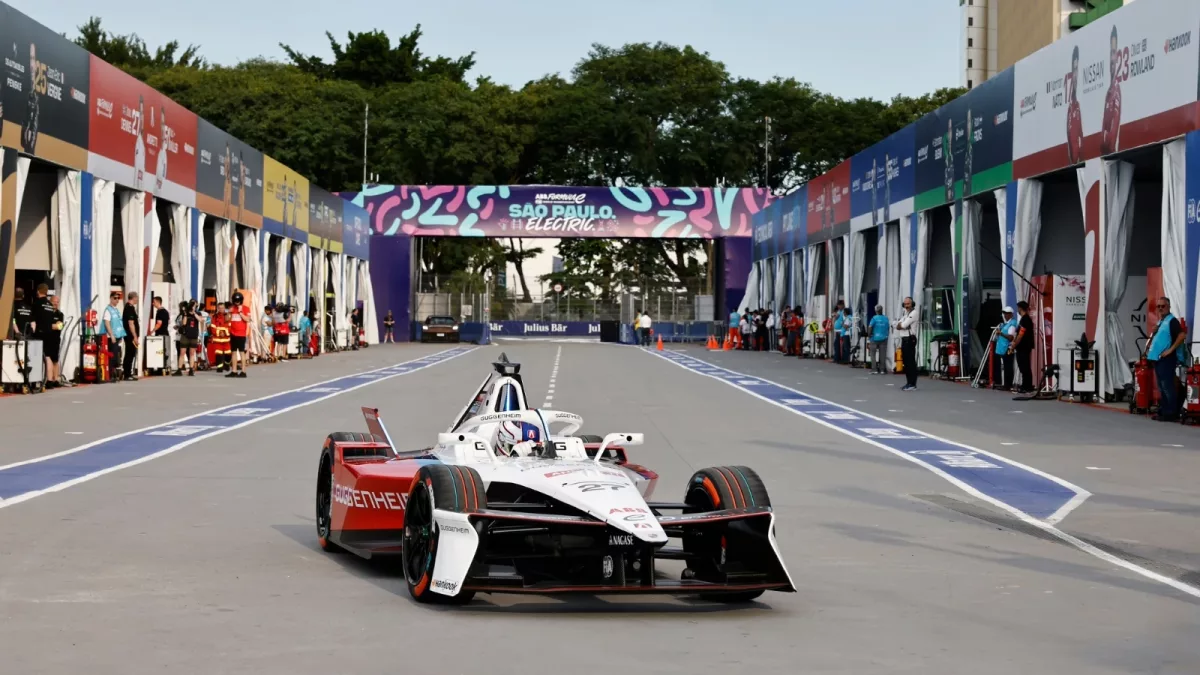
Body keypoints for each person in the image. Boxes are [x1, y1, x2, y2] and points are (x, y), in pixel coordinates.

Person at [1147, 297, 1187, 422]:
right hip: (1158, 359)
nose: (1160, 308)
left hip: (1167, 359)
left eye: (1163, 306)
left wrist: (1170, 350)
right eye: (1158, 306)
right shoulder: (1161, 322)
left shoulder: (1172, 321)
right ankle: (1165, 411)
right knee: (1162, 386)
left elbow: (1182, 335)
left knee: (1167, 386)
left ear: (1168, 307)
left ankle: (1170, 412)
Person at [98, 292, 126, 381]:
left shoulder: (116, 310)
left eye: (118, 298)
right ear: (111, 298)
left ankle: (112, 374)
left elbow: (118, 324)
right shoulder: (108, 310)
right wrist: (112, 335)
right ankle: (108, 375)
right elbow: (107, 323)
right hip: (111, 337)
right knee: (111, 356)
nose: (117, 300)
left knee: (115, 356)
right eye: (115, 298)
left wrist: (120, 335)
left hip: (117, 336)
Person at [1011, 301, 1036, 393]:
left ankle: (1027, 386)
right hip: (1022, 347)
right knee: (1022, 366)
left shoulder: (1025, 320)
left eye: (1018, 308)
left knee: (1024, 366)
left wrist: (1015, 344)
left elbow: (1021, 335)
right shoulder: (1024, 319)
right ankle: (1025, 385)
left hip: (1024, 346)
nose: (1017, 310)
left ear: (1021, 308)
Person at [895, 297, 919, 391]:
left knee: (910, 362)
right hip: (904, 339)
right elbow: (897, 325)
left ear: (912, 304)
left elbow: (904, 325)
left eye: (908, 304)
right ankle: (909, 382)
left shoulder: (914, 313)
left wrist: (900, 325)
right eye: (905, 304)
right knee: (906, 362)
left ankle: (912, 383)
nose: (906, 306)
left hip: (910, 339)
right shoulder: (905, 313)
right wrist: (900, 324)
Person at [994, 306, 1018, 390]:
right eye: (1004, 314)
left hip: (1008, 348)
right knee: (1004, 366)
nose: (1005, 315)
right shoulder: (1006, 324)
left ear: (1011, 314)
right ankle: (1003, 383)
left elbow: (1011, 337)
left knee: (1008, 367)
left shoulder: (1012, 324)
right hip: (1002, 348)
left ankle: (1007, 385)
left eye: (1007, 314)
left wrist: (1001, 333)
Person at [227, 291, 249, 378]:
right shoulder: (232, 309)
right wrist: (229, 312)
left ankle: (243, 371)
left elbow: (247, 319)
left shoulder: (246, 308)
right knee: (233, 352)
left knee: (242, 352)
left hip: (241, 334)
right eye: (235, 301)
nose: (237, 302)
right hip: (233, 333)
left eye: (238, 301)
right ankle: (234, 370)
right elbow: (227, 319)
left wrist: (240, 312)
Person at [174, 301, 199, 376]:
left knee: (191, 353)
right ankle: (179, 369)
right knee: (182, 353)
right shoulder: (185, 314)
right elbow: (184, 323)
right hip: (185, 336)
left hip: (194, 336)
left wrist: (194, 313)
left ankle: (191, 369)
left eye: (194, 306)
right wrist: (185, 314)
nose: (192, 308)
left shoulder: (197, 314)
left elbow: (201, 320)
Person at [123, 291, 140, 380]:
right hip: (130, 335)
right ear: (133, 298)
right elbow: (131, 323)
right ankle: (127, 374)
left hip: (130, 335)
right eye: (137, 297)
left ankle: (128, 372)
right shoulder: (129, 308)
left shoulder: (131, 307)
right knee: (130, 353)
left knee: (131, 353)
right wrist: (135, 336)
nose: (137, 299)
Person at [868, 304, 890, 374]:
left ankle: (874, 369)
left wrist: (869, 335)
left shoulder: (874, 318)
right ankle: (882, 369)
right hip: (883, 338)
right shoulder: (886, 318)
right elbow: (888, 328)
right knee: (882, 354)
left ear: (875, 310)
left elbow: (870, 327)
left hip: (874, 338)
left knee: (873, 354)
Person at [210, 304, 232, 373]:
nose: (221, 309)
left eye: (222, 308)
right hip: (217, 340)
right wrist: (219, 333)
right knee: (218, 354)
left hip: (226, 340)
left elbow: (230, 326)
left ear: (224, 308)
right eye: (219, 308)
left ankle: (227, 365)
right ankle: (219, 368)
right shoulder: (214, 317)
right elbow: (213, 327)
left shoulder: (228, 316)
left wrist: (225, 332)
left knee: (228, 354)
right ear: (217, 308)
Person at [151, 296, 170, 372]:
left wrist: (152, 331)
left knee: (159, 352)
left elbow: (159, 323)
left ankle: (160, 368)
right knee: (165, 351)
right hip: (166, 333)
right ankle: (164, 367)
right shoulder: (166, 311)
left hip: (160, 334)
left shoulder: (160, 312)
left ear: (158, 302)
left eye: (154, 302)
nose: (153, 304)